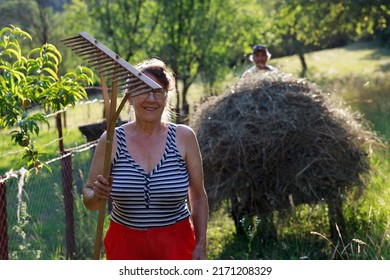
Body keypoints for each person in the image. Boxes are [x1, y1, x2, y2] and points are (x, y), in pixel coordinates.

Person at [83, 58, 208, 260]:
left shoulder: (184, 137)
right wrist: (96, 195)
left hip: (176, 244)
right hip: (125, 245)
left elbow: (198, 196)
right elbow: (89, 199)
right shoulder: (111, 141)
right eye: (143, 90)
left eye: (158, 91)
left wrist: (201, 244)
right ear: (129, 97)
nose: (151, 99)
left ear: (166, 97)